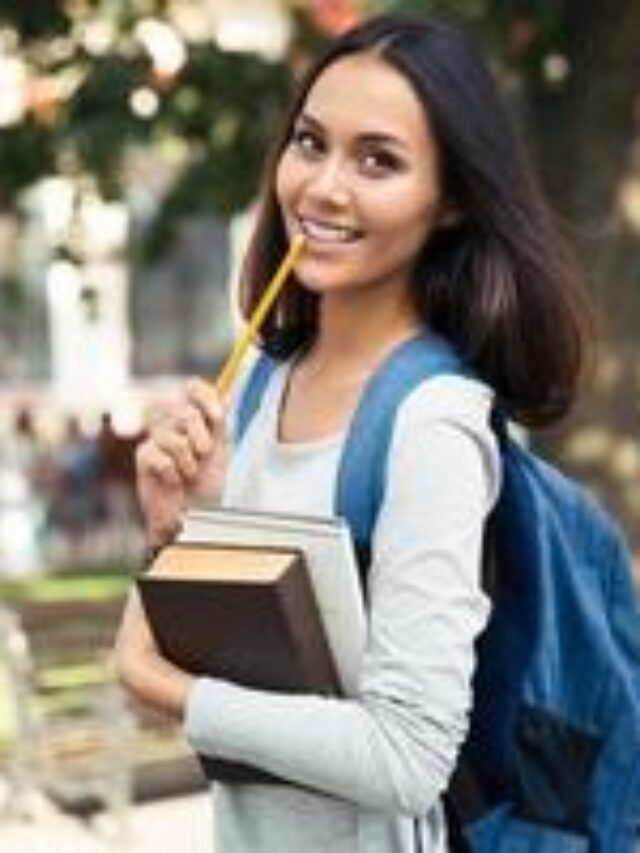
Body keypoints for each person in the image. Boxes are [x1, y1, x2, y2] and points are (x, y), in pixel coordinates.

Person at [113, 13, 592, 852]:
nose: (324, 187)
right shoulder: (261, 383)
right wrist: (175, 530)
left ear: (449, 203)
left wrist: (176, 691)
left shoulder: (431, 423)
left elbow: (408, 757)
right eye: (310, 142)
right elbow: (189, 697)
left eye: (379, 160)